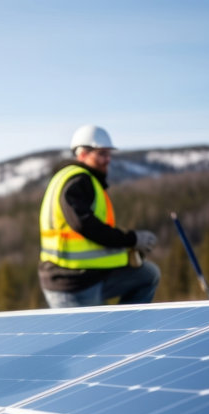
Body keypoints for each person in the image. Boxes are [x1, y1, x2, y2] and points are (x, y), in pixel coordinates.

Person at [38, 124, 160, 308]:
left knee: (147, 275)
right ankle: (118, 333)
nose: (107, 159)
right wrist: (131, 239)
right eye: (101, 154)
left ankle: (122, 332)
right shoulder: (79, 180)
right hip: (71, 282)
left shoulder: (74, 178)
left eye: (108, 154)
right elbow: (85, 225)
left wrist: (126, 249)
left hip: (88, 276)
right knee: (91, 336)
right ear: (82, 154)